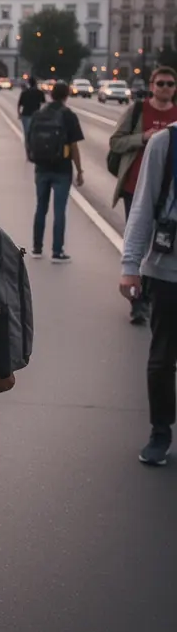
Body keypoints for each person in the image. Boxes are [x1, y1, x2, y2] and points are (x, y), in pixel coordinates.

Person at [119, 120, 177, 465]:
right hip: (167, 269)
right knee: (161, 360)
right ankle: (160, 430)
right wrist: (130, 266)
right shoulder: (165, 143)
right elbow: (141, 207)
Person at [109, 66, 177, 324]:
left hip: (167, 198)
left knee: (161, 249)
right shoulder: (138, 111)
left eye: (170, 84)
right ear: (152, 85)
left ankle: (151, 296)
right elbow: (116, 142)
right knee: (139, 241)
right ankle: (138, 302)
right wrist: (142, 138)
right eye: (161, 83)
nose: (165, 88)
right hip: (135, 188)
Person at [30, 80, 84, 262]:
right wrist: (79, 170)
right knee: (59, 210)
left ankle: (37, 248)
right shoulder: (68, 115)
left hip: (41, 167)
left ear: (51, 94)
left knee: (40, 208)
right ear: (66, 95)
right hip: (62, 169)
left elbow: (30, 139)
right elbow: (74, 146)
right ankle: (57, 251)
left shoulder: (39, 114)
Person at [17, 76, 46, 145]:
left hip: (26, 114)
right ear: (35, 83)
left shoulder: (24, 92)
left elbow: (19, 104)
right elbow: (44, 103)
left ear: (29, 83)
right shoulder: (40, 92)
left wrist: (19, 114)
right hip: (36, 115)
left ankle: (28, 147)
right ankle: (35, 146)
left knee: (27, 133)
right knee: (36, 132)